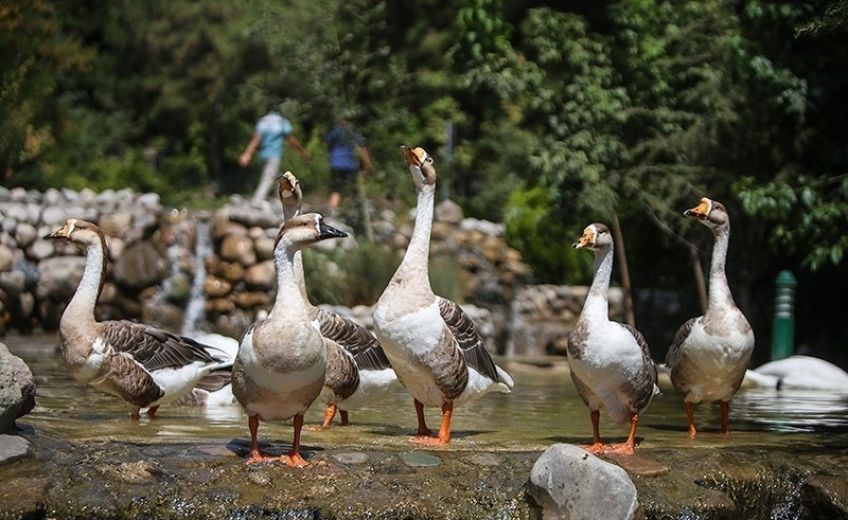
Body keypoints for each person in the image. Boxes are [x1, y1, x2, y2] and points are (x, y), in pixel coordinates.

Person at [239, 109, 310, 205]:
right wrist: (302, 151)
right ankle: (257, 201)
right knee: (268, 178)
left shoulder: (263, 122)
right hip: (274, 155)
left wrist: (247, 153)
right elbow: (291, 139)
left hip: (263, 154)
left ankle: (280, 201)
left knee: (278, 177)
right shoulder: (281, 122)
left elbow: (256, 139)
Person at [325, 118, 372, 213]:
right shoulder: (353, 132)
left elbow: (328, 143)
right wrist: (367, 163)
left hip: (335, 163)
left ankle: (332, 211)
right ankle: (347, 212)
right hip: (349, 164)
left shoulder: (335, 131)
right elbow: (362, 147)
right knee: (350, 189)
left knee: (336, 189)